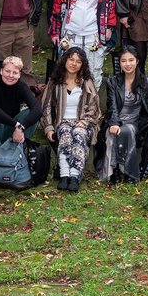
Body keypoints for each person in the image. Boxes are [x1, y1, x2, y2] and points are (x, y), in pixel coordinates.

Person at [41, 47, 102, 192]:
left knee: (79, 134)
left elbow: (94, 108)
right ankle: (64, 175)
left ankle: (74, 176)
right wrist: (48, 127)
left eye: (78, 61)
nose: (74, 64)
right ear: (65, 60)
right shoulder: (55, 82)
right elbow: (46, 107)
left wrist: (85, 121)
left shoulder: (86, 82)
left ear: (82, 64)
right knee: (65, 133)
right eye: (71, 59)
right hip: (62, 122)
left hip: (82, 121)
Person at [100, 46, 148, 184]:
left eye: (131, 60)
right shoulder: (112, 81)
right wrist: (114, 123)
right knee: (112, 133)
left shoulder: (147, 83)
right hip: (116, 119)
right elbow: (111, 106)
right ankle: (115, 172)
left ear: (137, 61)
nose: (128, 64)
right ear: (120, 63)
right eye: (124, 61)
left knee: (127, 130)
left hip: (136, 123)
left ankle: (130, 173)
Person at [0, 55, 43, 150]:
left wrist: (21, 127)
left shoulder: (21, 85)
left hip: (11, 128)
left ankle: (20, 145)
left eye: (15, 72)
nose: (10, 75)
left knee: (31, 113)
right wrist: (16, 124)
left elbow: (37, 110)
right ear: (1, 71)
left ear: (19, 74)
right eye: (7, 71)